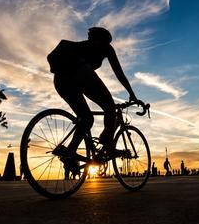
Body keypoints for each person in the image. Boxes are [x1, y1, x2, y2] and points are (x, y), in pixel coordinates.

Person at [48, 27, 140, 161]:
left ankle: (70, 151)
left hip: (60, 80)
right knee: (109, 106)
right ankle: (108, 146)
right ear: (103, 40)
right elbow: (119, 72)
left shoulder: (79, 46)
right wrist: (131, 93)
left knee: (86, 118)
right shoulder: (106, 48)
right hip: (80, 74)